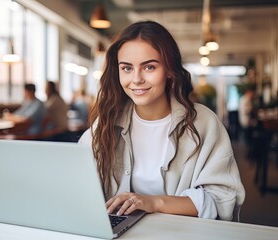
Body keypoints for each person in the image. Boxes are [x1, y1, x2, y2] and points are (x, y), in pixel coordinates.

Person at [79, 21, 245, 221]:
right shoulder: (106, 122)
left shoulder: (203, 122)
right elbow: (78, 183)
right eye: (127, 68)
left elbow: (221, 199)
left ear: (169, 70)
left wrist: (152, 202)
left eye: (149, 67)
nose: (136, 79)